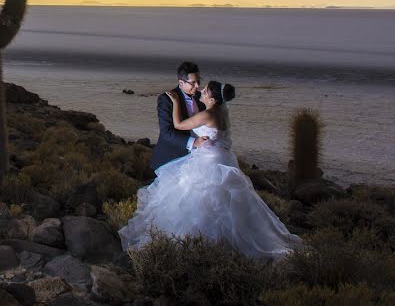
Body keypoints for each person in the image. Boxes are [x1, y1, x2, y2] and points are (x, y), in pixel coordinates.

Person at [119, 80, 303, 260]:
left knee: (199, 200)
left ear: (213, 99)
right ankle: (227, 242)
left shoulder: (208, 115)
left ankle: (203, 243)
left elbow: (178, 125)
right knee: (225, 204)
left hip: (208, 161)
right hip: (222, 159)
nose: (201, 91)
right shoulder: (221, 111)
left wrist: (175, 102)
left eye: (206, 91)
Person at [149, 61, 207, 172]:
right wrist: (193, 142)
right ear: (181, 83)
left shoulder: (201, 97)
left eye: (198, 81)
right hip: (172, 158)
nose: (197, 86)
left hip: (199, 157)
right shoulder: (166, 99)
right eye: (193, 83)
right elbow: (166, 132)